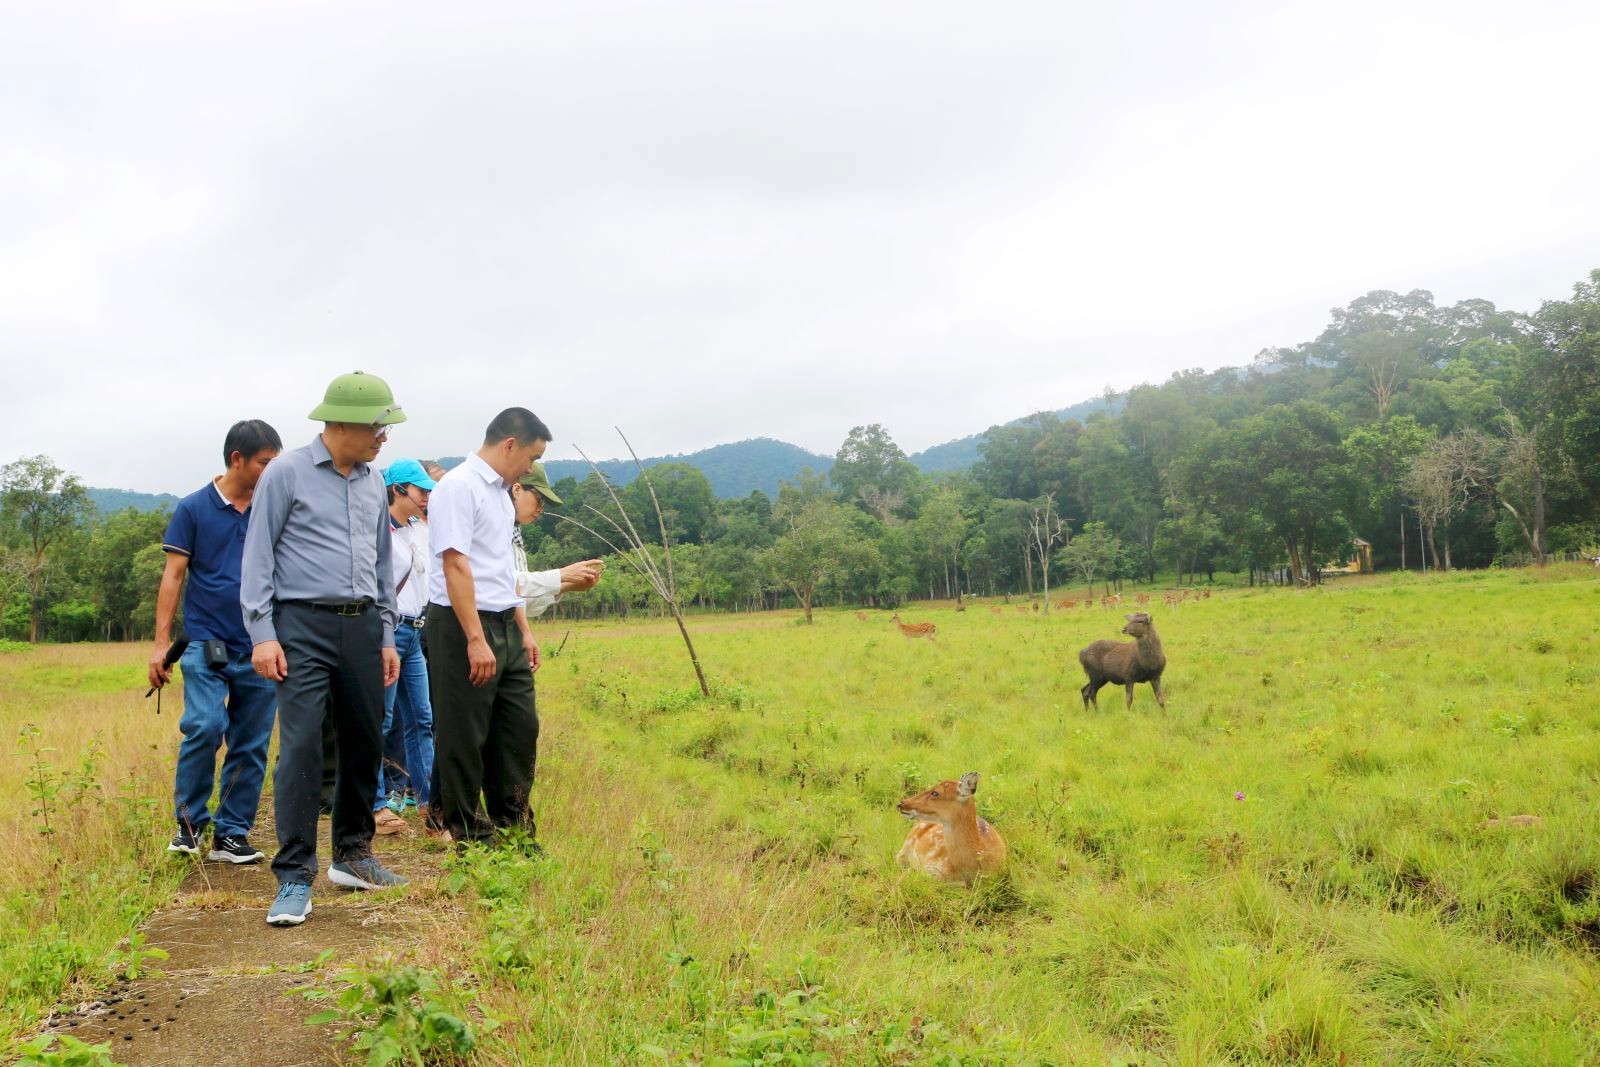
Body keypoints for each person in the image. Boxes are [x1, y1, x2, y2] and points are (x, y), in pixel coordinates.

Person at [241, 371, 409, 927]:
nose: (384, 437)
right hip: (301, 626)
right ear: (341, 423)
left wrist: (385, 634)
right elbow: (258, 557)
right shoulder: (287, 473)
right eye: (378, 427)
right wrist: (262, 633)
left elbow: (383, 568)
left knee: (365, 739)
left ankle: (354, 856)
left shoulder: (372, 480)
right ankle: (293, 875)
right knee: (304, 746)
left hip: (362, 626)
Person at [426, 409, 582, 847]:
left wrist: (523, 630)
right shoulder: (457, 488)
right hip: (462, 626)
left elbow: (500, 572)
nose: (531, 468)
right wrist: (475, 638)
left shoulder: (499, 495)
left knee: (518, 728)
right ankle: (471, 837)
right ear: (509, 444)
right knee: (465, 733)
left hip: (504, 622)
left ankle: (513, 827)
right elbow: (455, 566)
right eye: (531, 457)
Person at [149, 420, 283, 863]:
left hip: (261, 642)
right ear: (236, 460)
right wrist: (160, 645)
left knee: (251, 740)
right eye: (265, 462)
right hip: (207, 640)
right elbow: (173, 577)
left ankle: (231, 833)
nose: (271, 471)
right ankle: (188, 825)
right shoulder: (194, 509)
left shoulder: (273, 507)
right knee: (205, 725)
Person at [373, 458, 437, 834]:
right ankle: (376, 804)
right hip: (388, 632)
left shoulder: (419, 530)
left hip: (415, 632)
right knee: (381, 720)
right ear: (397, 490)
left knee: (422, 719)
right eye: (419, 491)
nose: (425, 498)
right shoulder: (376, 530)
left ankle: (430, 802)